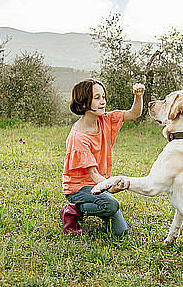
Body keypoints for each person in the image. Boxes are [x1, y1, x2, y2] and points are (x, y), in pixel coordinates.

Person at [61, 78, 145, 237]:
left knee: (120, 233)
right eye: (97, 98)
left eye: (104, 97)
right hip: (78, 188)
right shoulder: (78, 137)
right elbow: (92, 175)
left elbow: (134, 113)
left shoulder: (106, 119)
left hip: (98, 182)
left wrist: (138, 95)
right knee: (112, 205)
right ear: (84, 101)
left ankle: (102, 205)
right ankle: (73, 209)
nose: (103, 102)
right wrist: (111, 185)